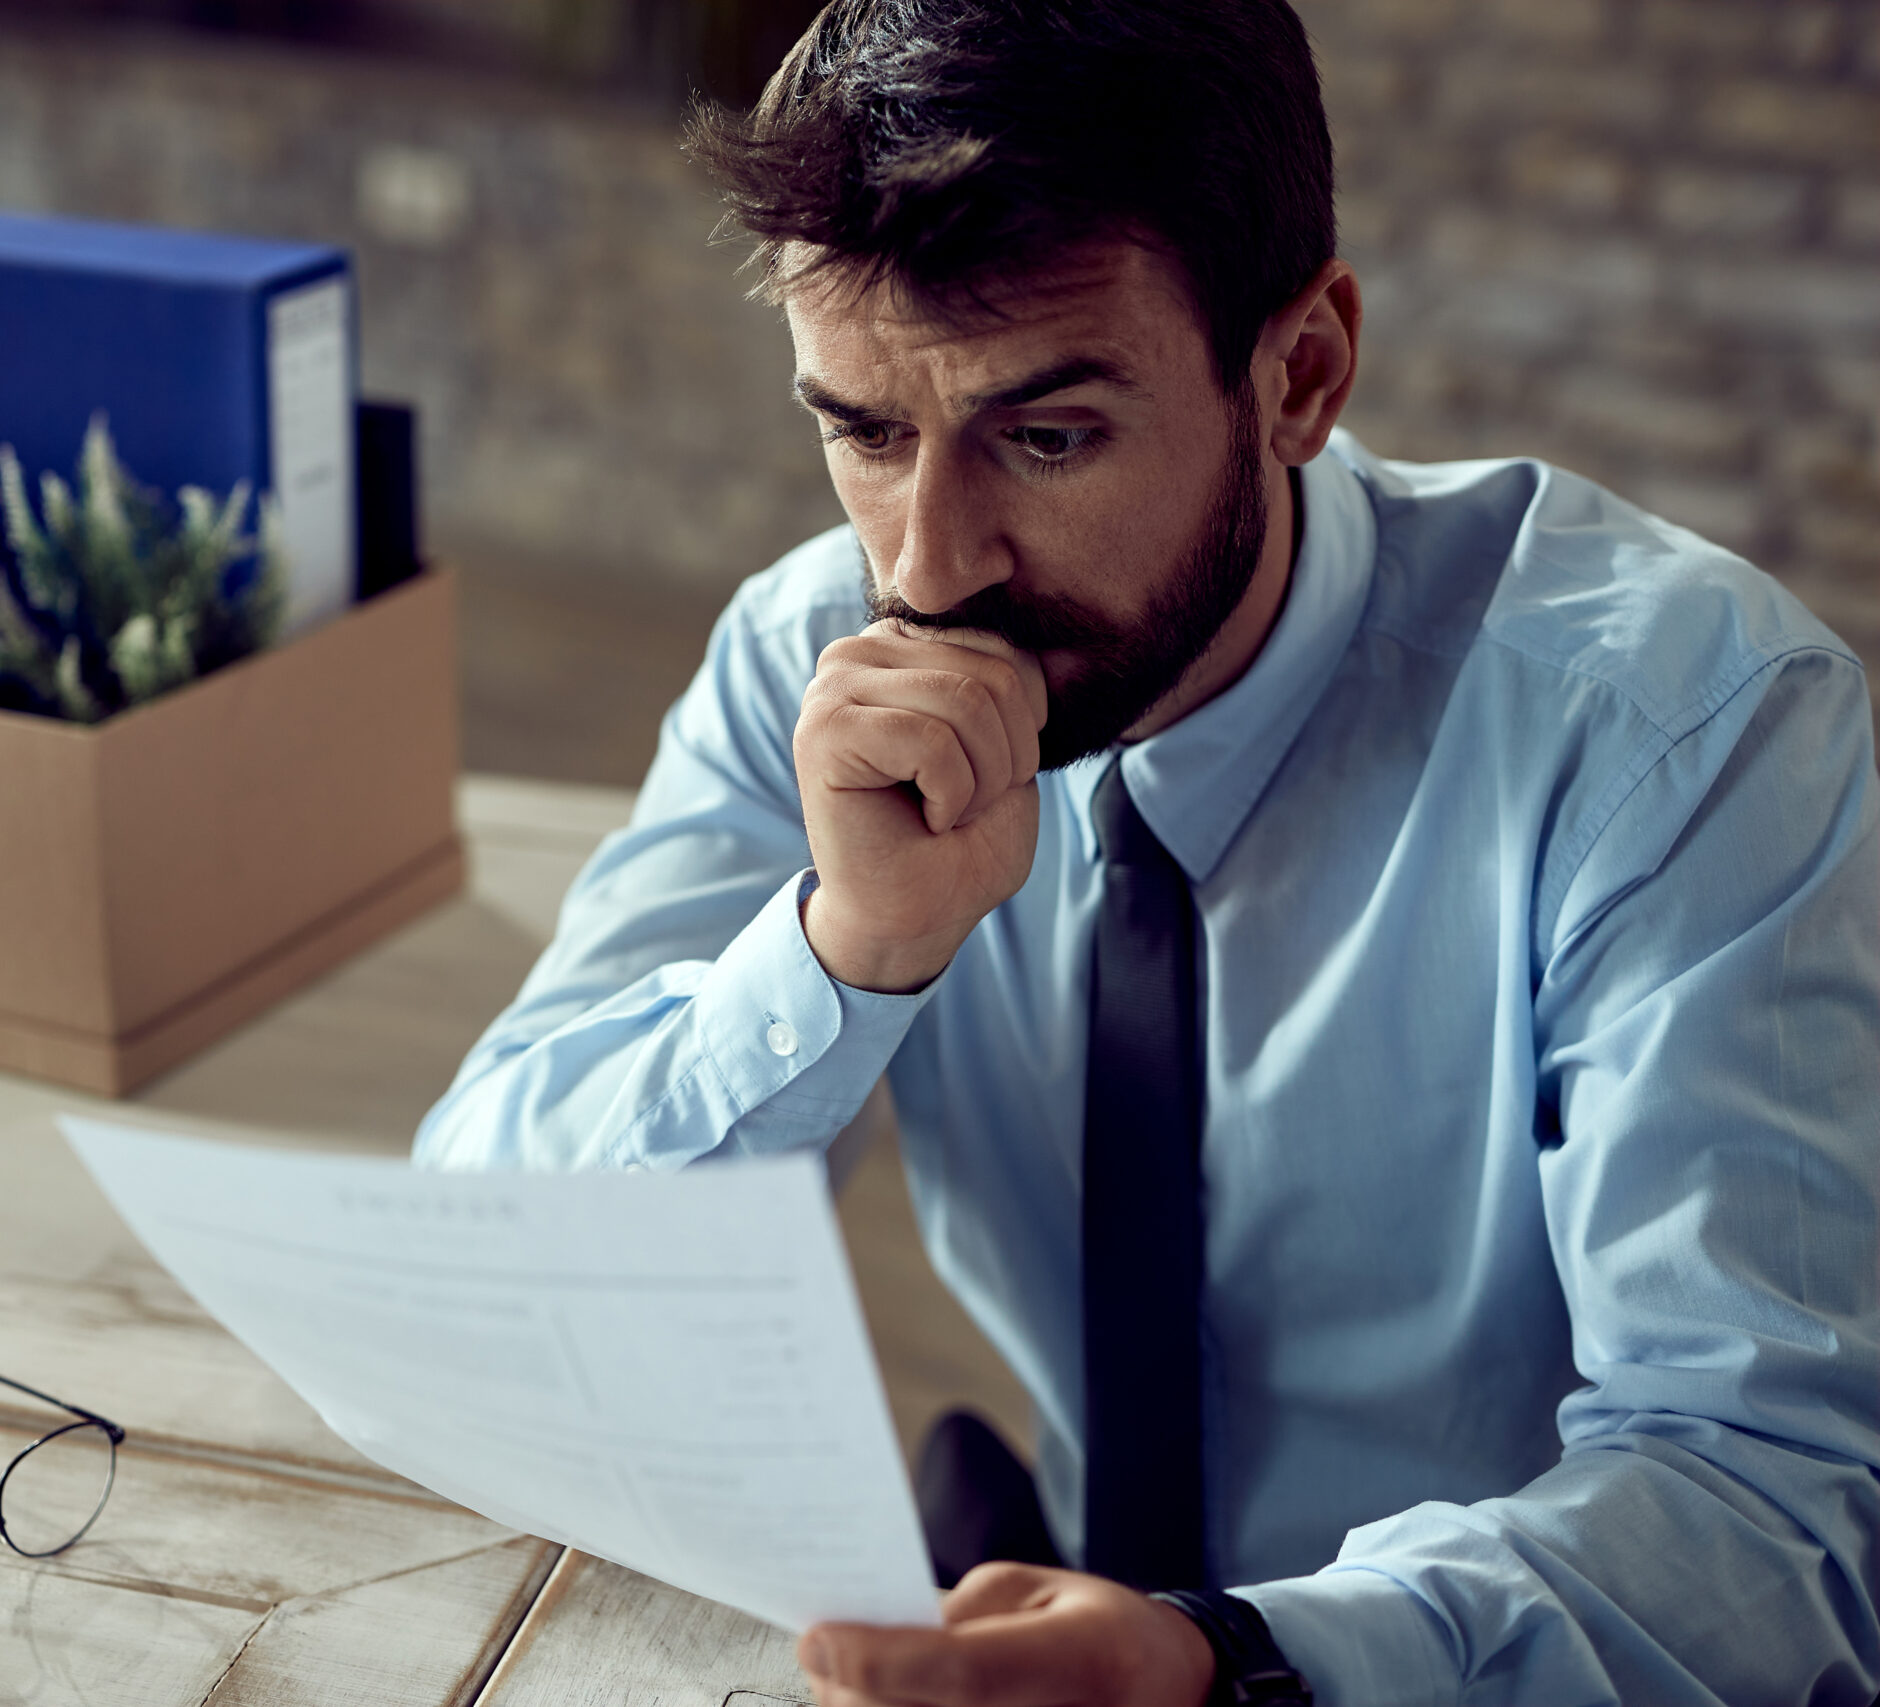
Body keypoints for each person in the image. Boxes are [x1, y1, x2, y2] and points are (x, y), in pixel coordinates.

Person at [413, 1, 1880, 1701]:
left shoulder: (1686, 730)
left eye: (1047, 438)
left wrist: (1241, 1666)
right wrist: (839, 952)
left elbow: (1775, 1508)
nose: (933, 564)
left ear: (1303, 374)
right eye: (867, 433)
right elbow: (488, 1263)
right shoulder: (812, 656)